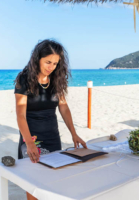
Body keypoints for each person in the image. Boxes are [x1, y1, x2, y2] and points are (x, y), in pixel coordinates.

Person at [14, 39, 87, 200]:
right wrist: (29, 143)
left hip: (53, 137)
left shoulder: (56, 79)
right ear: (37, 59)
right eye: (48, 62)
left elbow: (63, 107)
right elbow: (20, 115)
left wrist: (74, 134)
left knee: (52, 181)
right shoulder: (24, 80)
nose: (51, 67)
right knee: (32, 183)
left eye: (55, 63)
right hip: (31, 139)